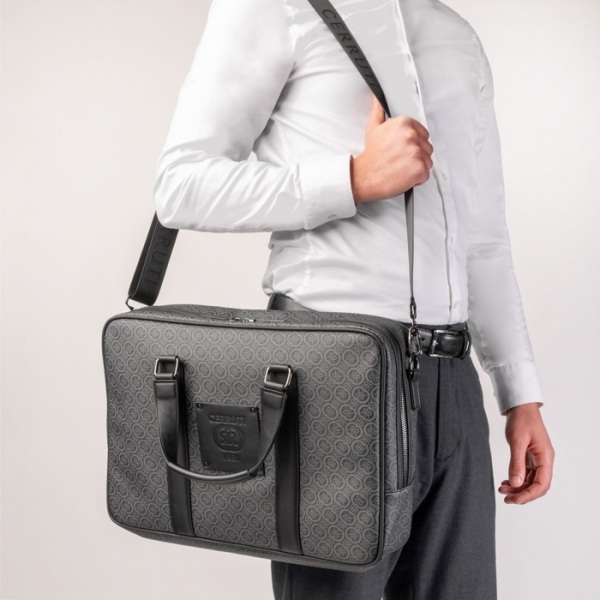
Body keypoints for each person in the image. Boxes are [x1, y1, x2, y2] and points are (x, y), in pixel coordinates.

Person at [153, 0, 555, 597]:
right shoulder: (276, 7)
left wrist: (520, 396)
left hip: (452, 382)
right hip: (331, 375)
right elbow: (181, 184)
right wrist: (352, 177)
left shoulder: (457, 36)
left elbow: (484, 238)